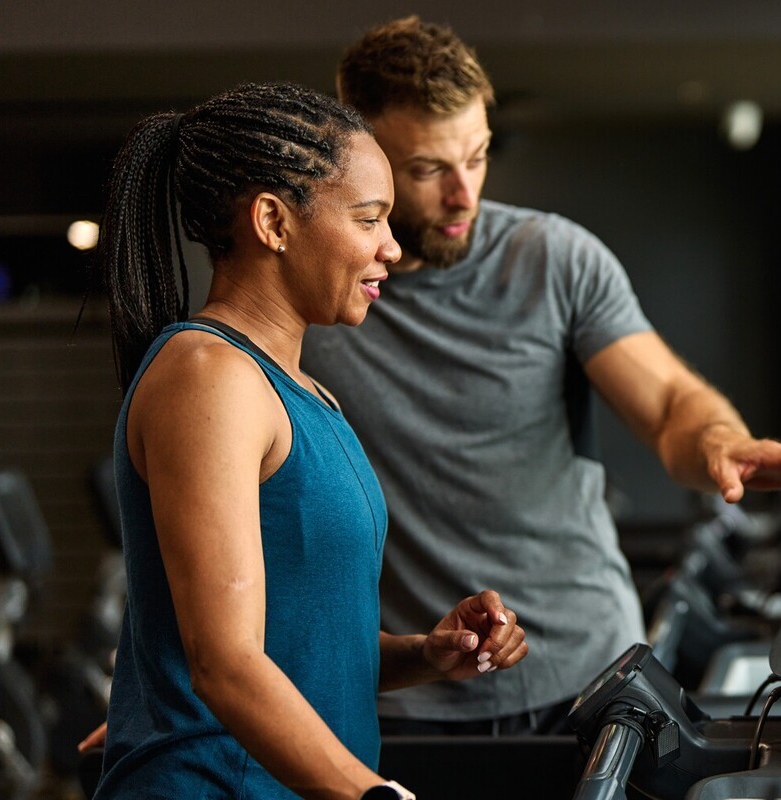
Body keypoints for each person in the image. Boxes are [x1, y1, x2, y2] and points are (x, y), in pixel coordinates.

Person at [299, 16, 781, 736]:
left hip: (584, 679)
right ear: (365, 158)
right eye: (427, 170)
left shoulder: (552, 258)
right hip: (401, 701)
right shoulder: (315, 299)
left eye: (476, 157)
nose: (463, 193)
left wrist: (720, 440)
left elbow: (664, 403)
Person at [90, 81, 527, 799]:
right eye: (367, 219)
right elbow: (225, 663)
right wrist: (372, 795)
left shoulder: (299, 390)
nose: (390, 246)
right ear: (272, 221)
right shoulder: (208, 376)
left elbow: (298, 645)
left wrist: (427, 653)